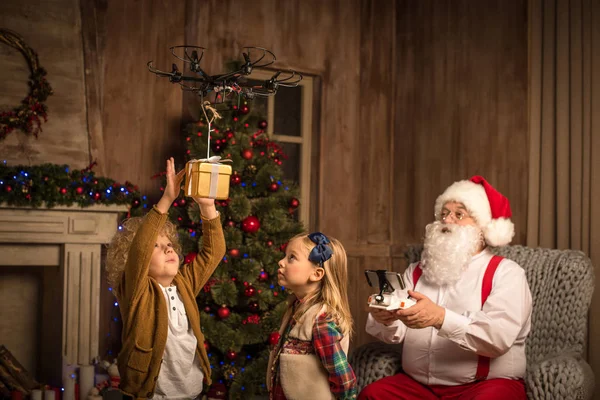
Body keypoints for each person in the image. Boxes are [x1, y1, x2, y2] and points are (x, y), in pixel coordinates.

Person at [359, 176, 532, 400]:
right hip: (418, 388)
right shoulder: (416, 271)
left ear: (482, 228)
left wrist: (440, 318)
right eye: (444, 213)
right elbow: (395, 334)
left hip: (484, 387)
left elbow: (497, 338)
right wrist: (386, 318)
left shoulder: (507, 273)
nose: (447, 220)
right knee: (372, 395)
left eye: (459, 214)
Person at [105, 157, 226, 400]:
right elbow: (140, 249)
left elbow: (214, 253)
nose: (169, 249)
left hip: (191, 391)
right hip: (152, 394)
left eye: (169, 244)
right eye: (157, 247)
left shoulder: (185, 283)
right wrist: (167, 199)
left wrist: (207, 206)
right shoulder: (136, 290)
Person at [267, 232, 358, 399]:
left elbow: (344, 380)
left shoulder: (321, 321)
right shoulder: (296, 307)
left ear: (316, 274)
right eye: (284, 256)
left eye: (291, 258)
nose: (281, 262)